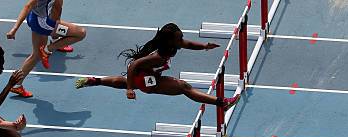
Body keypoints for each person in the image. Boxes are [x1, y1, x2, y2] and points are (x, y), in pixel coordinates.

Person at [75, 23, 239, 109]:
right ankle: (222, 103)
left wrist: (204, 46)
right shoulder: (159, 56)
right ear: (170, 40)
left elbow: (187, 44)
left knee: (128, 81)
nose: (181, 39)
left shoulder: (173, 43)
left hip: (145, 74)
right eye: (179, 37)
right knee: (184, 87)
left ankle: (95, 81)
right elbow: (133, 65)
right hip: (146, 79)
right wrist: (130, 89)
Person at [6, 0, 87, 97]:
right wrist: (14, 29)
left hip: (34, 18)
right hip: (43, 23)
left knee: (36, 55)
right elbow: (29, 6)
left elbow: (55, 8)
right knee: (81, 33)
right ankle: (49, 49)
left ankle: (16, 85)